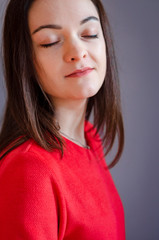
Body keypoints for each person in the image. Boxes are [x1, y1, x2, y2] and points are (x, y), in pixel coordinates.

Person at [0, 0, 125, 239]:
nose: (78, 52)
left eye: (89, 33)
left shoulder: (89, 138)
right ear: (25, 59)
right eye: (50, 41)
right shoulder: (29, 170)